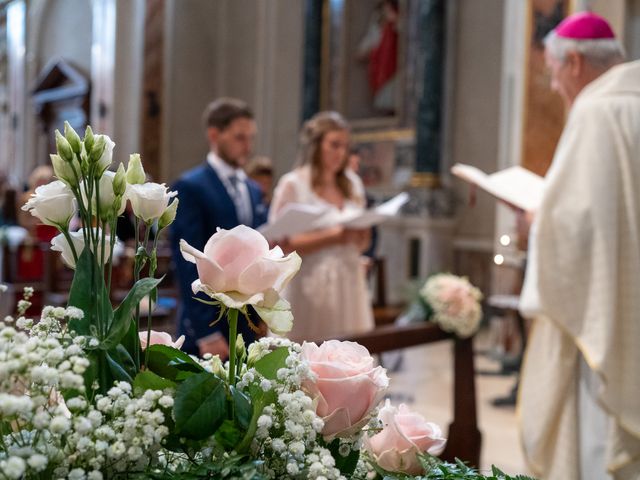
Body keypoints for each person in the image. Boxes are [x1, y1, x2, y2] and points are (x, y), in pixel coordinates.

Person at [516, 12, 640, 479]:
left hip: (604, 316)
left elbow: (575, 229)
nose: (552, 85)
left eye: (550, 70)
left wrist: (535, 220)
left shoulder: (596, 109)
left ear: (573, 61)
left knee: (597, 444)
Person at [171, 97, 268, 357]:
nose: (248, 146)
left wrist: (262, 314)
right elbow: (189, 262)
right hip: (209, 322)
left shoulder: (253, 189)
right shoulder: (191, 186)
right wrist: (206, 332)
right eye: (239, 137)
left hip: (247, 320)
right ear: (215, 134)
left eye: (251, 137)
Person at [269, 111, 374, 341]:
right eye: (334, 145)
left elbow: (361, 245)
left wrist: (363, 233)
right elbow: (279, 244)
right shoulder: (293, 184)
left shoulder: (352, 184)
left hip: (349, 281)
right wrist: (335, 236)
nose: (341, 153)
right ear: (316, 146)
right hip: (308, 284)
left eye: (345, 146)